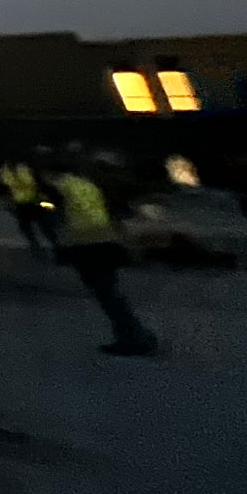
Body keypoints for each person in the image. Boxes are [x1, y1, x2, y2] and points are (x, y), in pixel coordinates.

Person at [46, 150, 158, 357]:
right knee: (112, 292)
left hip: (84, 244)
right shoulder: (87, 184)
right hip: (106, 240)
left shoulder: (59, 186)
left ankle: (134, 338)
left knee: (107, 295)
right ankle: (136, 334)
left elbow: (54, 212)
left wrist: (44, 206)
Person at [0, 154, 59, 259]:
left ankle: (58, 250)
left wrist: (46, 199)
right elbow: (8, 188)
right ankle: (37, 251)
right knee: (27, 230)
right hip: (21, 205)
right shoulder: (5, 170)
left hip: (36, 203)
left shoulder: (25, 168)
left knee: (46, 228)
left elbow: (39, 183)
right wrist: (9, 202)